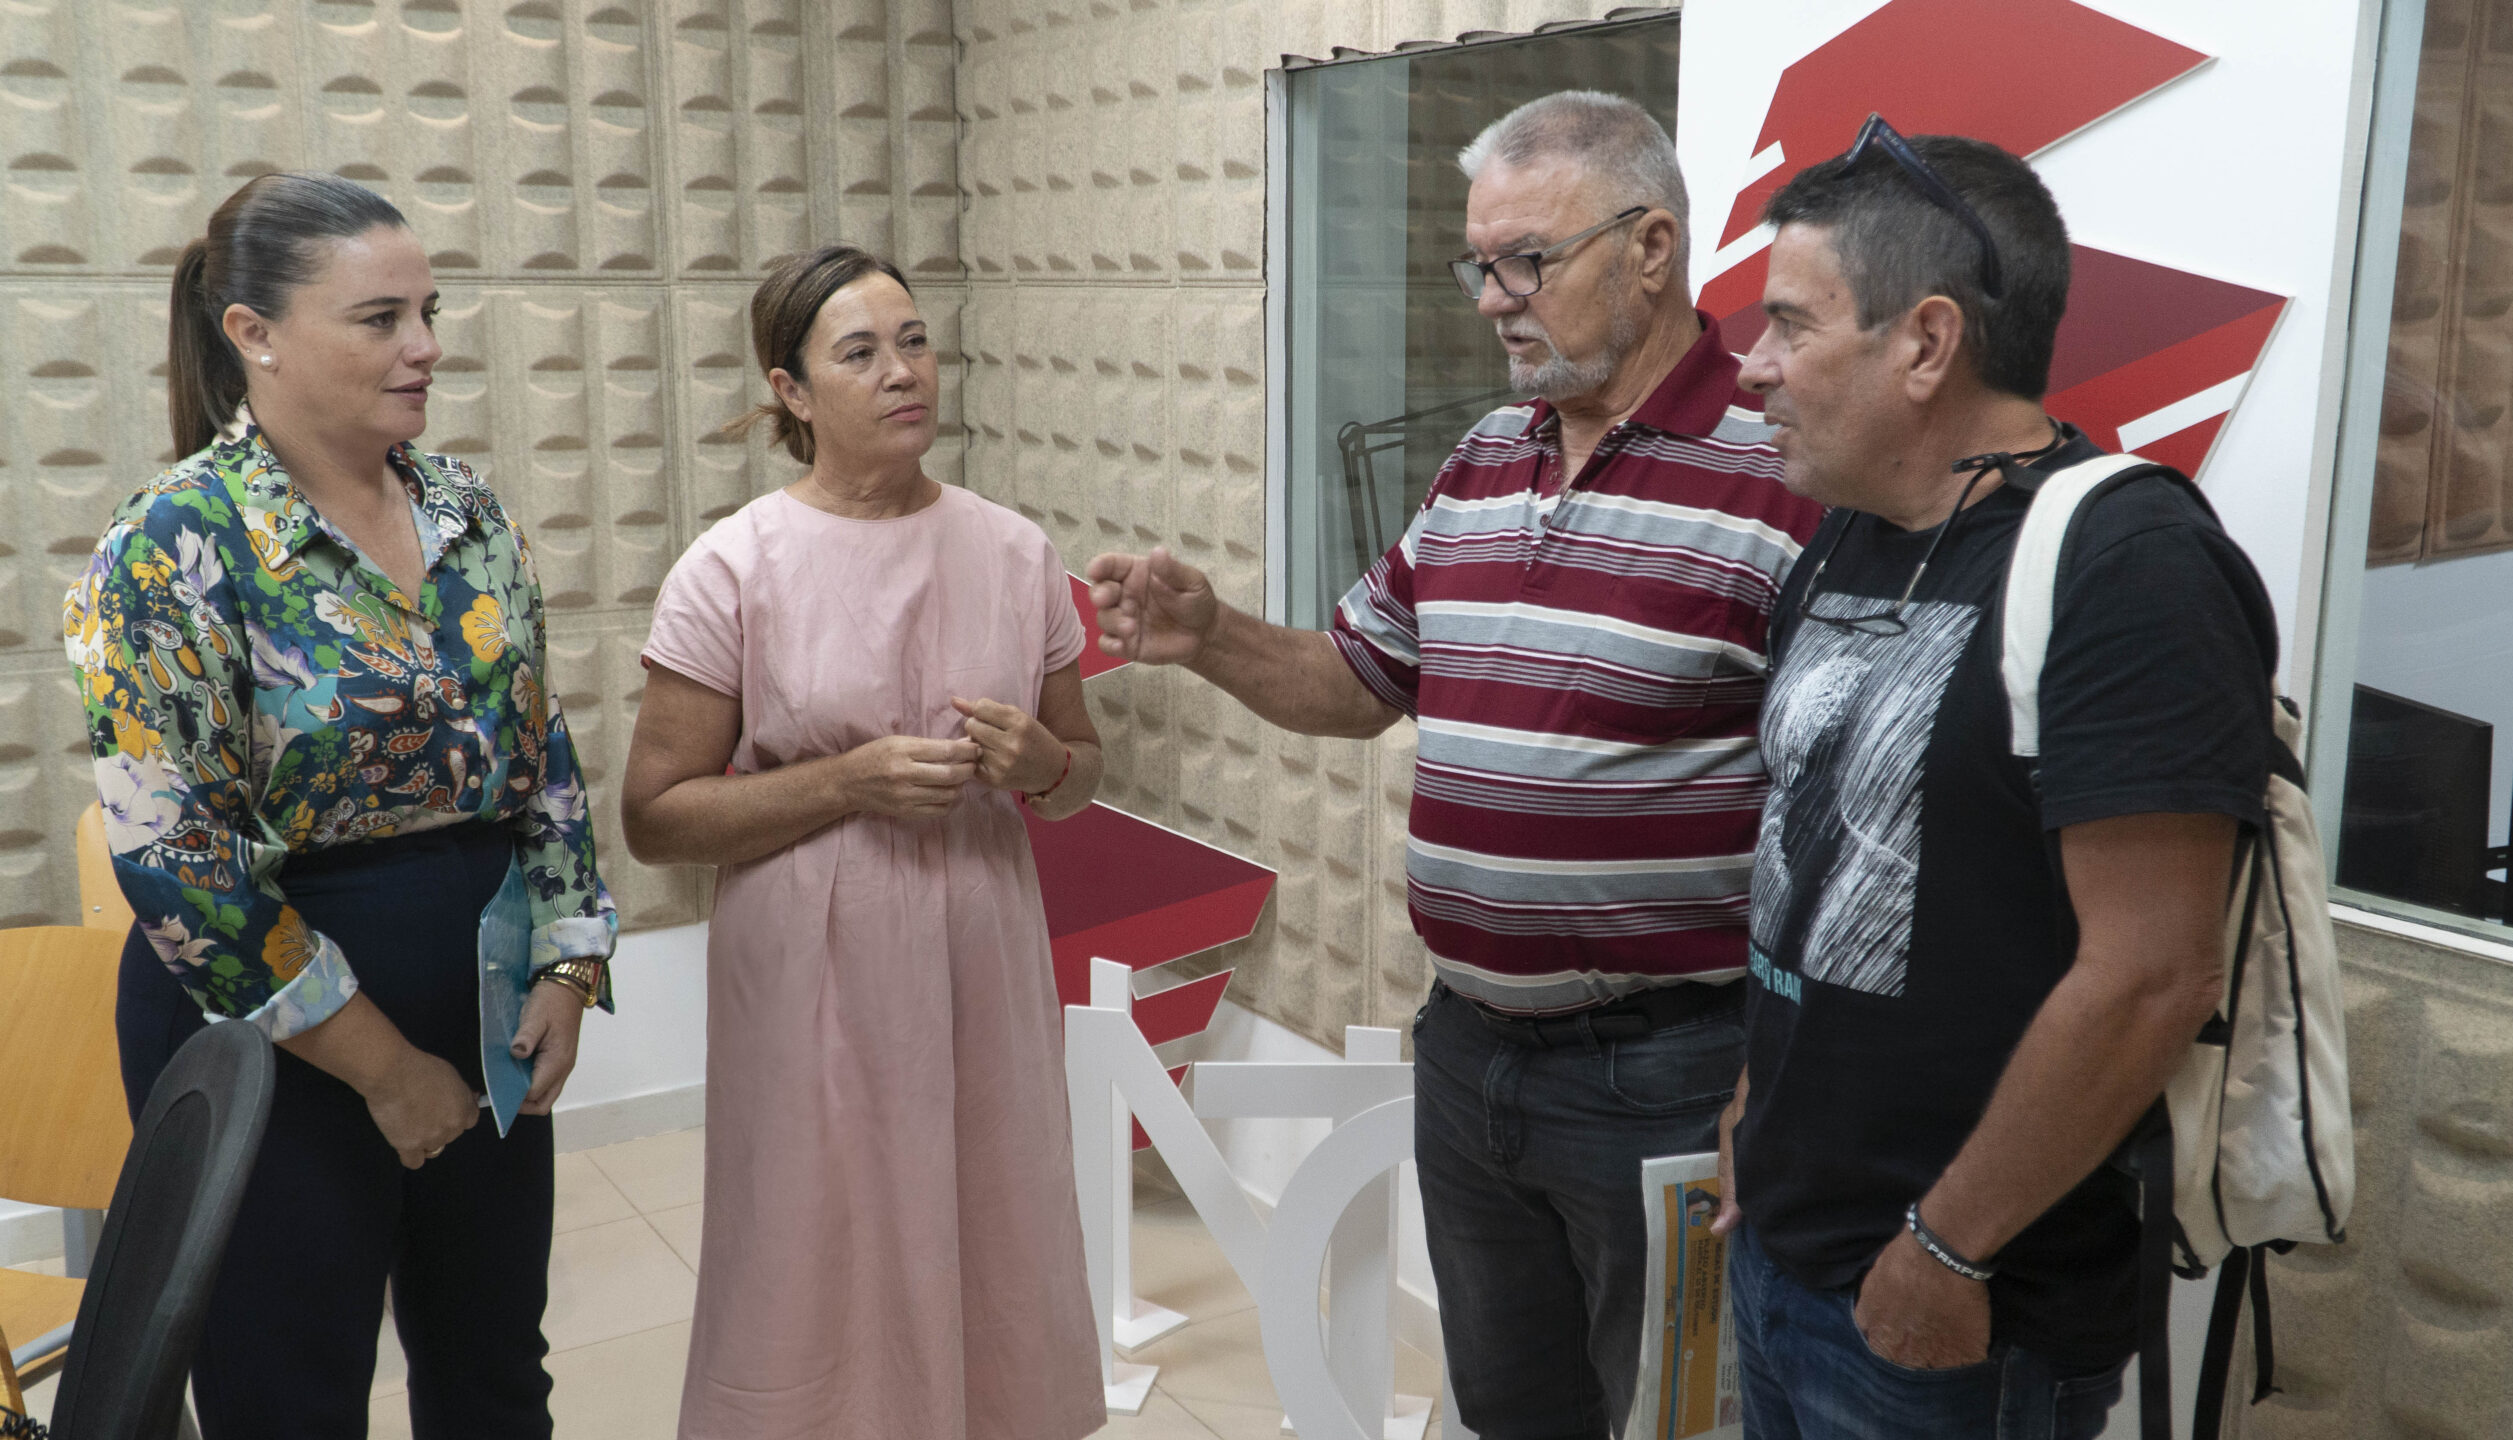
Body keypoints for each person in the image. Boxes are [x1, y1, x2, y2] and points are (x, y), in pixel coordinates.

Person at [1088, 92, 1822, 1439]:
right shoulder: (1485, 461)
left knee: (1677, 1421)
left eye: (1527, 260)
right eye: (1478, 264)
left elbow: (1841, 831)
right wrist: (1210, 637)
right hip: (1473, 1054)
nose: (1493, 299)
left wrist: (1771, 1084)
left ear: (1653, 247)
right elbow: (1361, 681)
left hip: (1669, 1078)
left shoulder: (1782, 476)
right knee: (1512, 1415)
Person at [1708, 120, 2278, 1439]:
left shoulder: (2129, 566)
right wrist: (1756, 1100)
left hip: (1959, 1316)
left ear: (1924, 342)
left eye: (1791, 325)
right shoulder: (1844, 537)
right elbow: (1806, 856)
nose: (1752, 369)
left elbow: (2153, 974)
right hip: (1785, 1258)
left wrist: (1946, 1251)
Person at [62, 171, 618, 1439]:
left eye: (427, 309)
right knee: (287, 1394)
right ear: (253, 332)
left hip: (483, 995)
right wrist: (385, 1071)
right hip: (273, 1032)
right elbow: (181, 863)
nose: (425, 345)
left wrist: (569, 963)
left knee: (493, 1371)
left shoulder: (468, 514)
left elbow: (542, 752)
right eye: (380, 318)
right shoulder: (171, 546)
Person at [620, 244, 1108, 1440]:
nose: (903, 373)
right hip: (810, 960)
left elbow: (1081, 773)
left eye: (914, 341)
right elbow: (653, 816)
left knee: (992, 1205)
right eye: (859, 352)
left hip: (983, 944)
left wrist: (1038, 767)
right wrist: (847, 780)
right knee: (812, 1227)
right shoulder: (732, 567)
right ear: (790, 391)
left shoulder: (1014, 551)